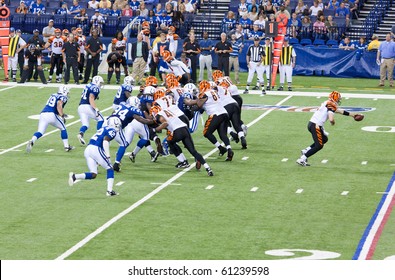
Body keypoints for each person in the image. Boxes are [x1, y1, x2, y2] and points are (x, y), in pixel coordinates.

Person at [296, 91, 359, 166]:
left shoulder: (327, 102)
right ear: (335, 98)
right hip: (316, 126)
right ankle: (302, 159)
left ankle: (306, 150)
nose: (339, 100)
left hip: (312, 124)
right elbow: (331, 117)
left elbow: (340, 111)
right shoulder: (331, 104)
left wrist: (353, 115)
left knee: (324, 139)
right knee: (319, 145)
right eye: (338, 99)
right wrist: (332, 122)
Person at [150, 104, 214, 176]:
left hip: (178, 131)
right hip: (185, 128)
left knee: (169, 142)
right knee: (193, 151)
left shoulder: (159, 115)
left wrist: (155, 129)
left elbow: (165, 123)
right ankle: (208, 168)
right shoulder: (167, 111)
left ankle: (183, 161)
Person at [68, 117, 122, 197]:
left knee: (93, 174)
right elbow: (105, 140)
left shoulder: (103, 128)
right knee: (110, 168)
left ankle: (75, 176)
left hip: (88, 149)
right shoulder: (112, 130)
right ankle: (109, 191)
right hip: (95, 149)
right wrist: (107, 155)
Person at [184, 80, 234, 161]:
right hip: (224, 113)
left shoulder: (204, 94)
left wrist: (189, 103)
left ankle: (221, 148)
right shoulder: (214, 91)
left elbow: (199, 105)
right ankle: (229, 149)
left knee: (206, 133)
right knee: (223, 134)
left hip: (215, 115)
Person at [26, 86, 74, 153]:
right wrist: (62, 116)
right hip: (51, 115)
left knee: (40, 131)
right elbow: (59, 105)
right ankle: (66, 147)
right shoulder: (63, 97)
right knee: (63, 128)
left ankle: (32, 141)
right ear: (64, 91)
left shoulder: (53, 95)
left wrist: (61, 113)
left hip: (43, 114)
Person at [77, 75, 105, 145]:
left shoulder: (88, 85)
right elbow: (91, 98)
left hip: (80, 107)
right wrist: (96, 109)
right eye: (100, 83)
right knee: (101, 119)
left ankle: (80, 134)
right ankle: (99, 137)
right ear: (97, 81)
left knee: (85, 124)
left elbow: (87, 94)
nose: (101, 84)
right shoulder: (95, 88)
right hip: (87, 106)